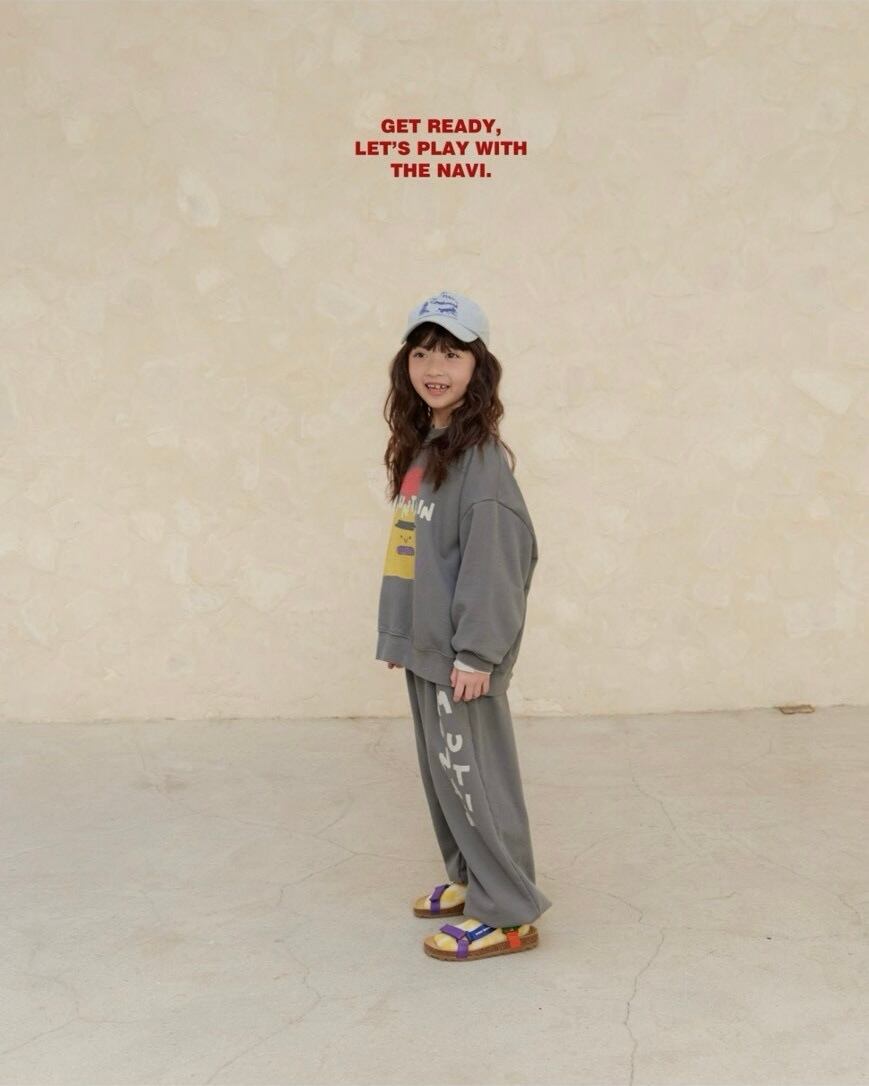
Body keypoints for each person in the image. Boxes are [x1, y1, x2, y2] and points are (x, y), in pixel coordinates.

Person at [375, 289, 552, 962]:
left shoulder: (480, 464)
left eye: (451, 353)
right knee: (445, 776)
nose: (435, 368)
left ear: (478, 366)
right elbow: (411, 549)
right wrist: (400, 634)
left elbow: (495, 562)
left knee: (477, 779)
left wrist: (477, 652)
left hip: (461, 657)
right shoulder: (427, 447)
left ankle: (509, 913)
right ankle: (473, 878)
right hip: (428, 648)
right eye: (422, 353)